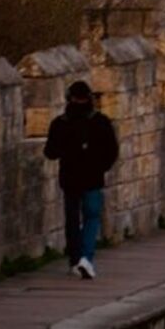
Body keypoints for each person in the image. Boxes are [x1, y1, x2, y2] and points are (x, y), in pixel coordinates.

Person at [45, 80, 120, 280]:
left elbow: (50, 152)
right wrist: (100, 166)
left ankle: (76, 259)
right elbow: (112, 150)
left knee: (73, 220)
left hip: (70, 179)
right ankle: (85, 258)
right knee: (91, 218)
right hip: (92, 178)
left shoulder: (60, 124)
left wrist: (66, 150)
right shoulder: (100, 121)